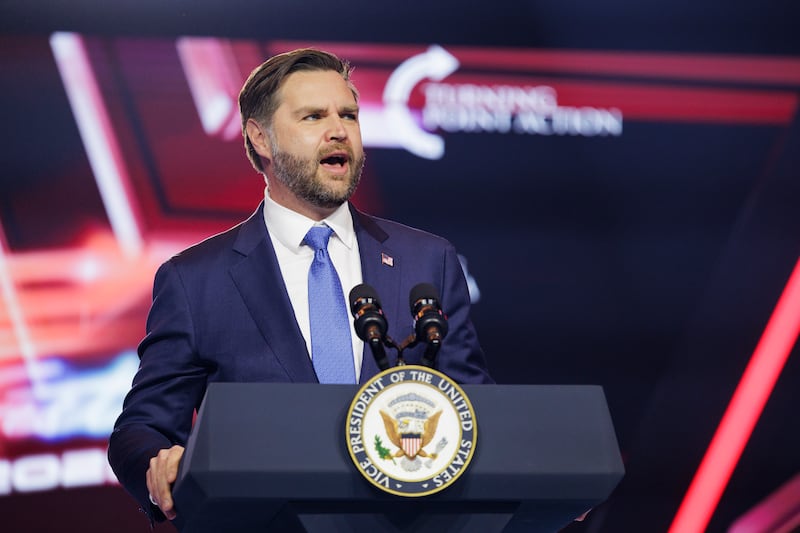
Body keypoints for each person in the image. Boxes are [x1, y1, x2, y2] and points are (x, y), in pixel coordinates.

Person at [108, 48, 493, 527]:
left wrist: (535, 472)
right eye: (314, 116)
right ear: (260, 137)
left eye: (348, 114)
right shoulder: (195, 280)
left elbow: (472, 404)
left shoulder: (426, 259)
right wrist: (156, 462)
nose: (339, 130)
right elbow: (141, 427)